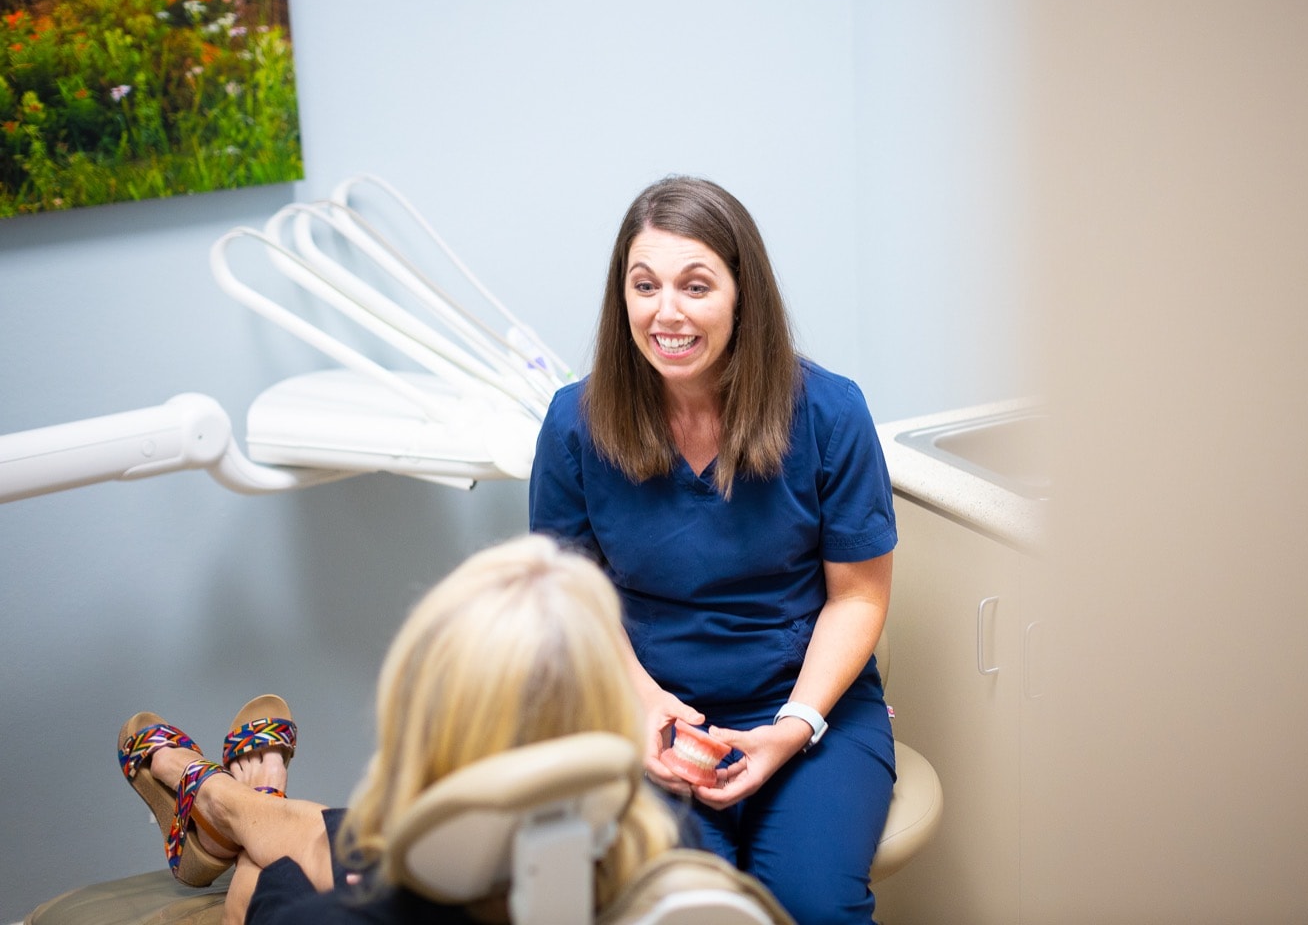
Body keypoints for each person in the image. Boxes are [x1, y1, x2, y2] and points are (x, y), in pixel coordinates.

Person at [528, 175, 898, 925]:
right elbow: (565, 601)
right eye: (645, 285)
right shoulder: (576, 425)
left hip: (810, 711)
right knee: (685, 907)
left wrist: (793, 726)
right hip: (649, 714)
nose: (667, 312)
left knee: (815, 906)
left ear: (741, 296)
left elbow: (858, 596)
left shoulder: (829, 414)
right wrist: (640, 708)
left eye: (695, 286)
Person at [115, 534, 681, 925]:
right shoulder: (674, 861)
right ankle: (229, 804)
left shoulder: (331, 919)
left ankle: (220, 800)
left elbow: (260, 900)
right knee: (326, 835)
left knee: (272, 862)